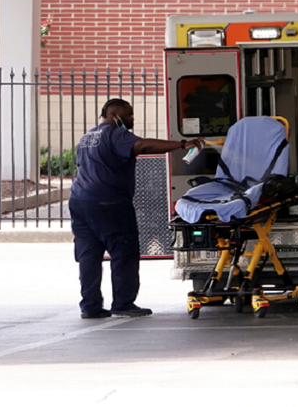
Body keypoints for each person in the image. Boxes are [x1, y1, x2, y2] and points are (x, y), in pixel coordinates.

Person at [70, 98, 206, 319]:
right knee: (124, 252)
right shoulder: (115, 134)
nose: (132, 119)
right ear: (115, 116)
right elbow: (141, 146)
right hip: (110, 202)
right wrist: (181, 144)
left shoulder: (87, 137)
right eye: (129, 114)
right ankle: (123, 303)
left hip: (79, 201)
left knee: (89, 255)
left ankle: (90, 306)